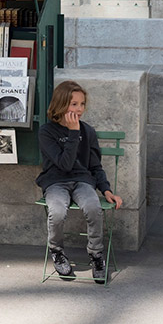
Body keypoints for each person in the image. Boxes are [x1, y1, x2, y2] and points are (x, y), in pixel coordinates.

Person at [37, 81, 123, 283]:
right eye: (73, 104)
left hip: (83, 181)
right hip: (55, 182)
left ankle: (96, 255)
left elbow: (95, 166)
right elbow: (64, 165)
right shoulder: (46, 132)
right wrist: (73, 132)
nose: (79, 109)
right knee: (57, 211)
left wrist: (107, 190)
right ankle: (57, 252)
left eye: (82, 104)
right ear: (61, 104)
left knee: (93, 207)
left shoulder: (88, 132)